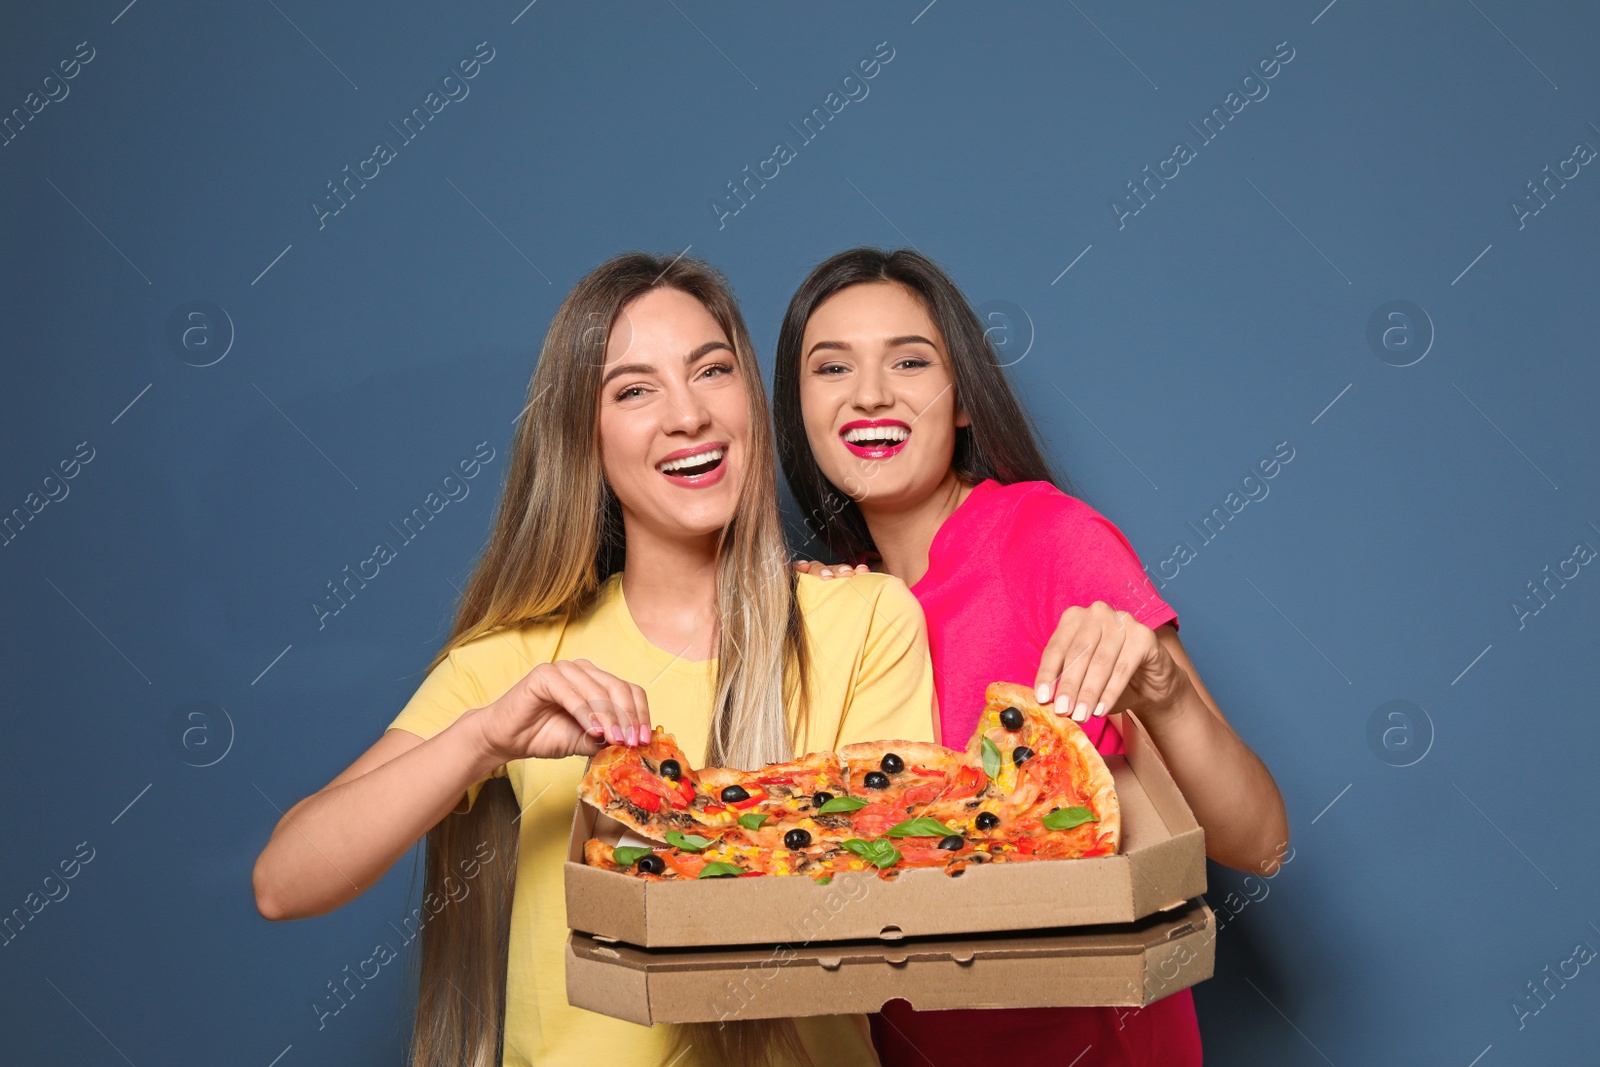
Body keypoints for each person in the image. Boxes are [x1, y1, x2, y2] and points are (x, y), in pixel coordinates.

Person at [251, 252, 936, 1067]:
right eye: (634, 389)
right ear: (587, 437)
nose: (688, 415)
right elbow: (283, 881)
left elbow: (897, 890)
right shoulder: (518, 660)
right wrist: (481, 739)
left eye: (711, 371)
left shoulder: (862, 619)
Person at [772, 247, 1290, 1067]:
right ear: (798, 410)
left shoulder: (1049, 541)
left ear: (964, 401)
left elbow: (1260, 839)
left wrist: (1161, 691)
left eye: (910, 360)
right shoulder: (831, 614)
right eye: (831, 367)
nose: (870, 392)